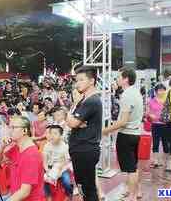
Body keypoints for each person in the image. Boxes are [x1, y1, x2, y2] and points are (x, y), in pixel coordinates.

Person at [103, 68, 144, 200]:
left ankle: (131, 196)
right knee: (133, 166)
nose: (117, 79)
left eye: (119, 77)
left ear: (126, 79)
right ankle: (136, 192)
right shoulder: (135, 92)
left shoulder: (127, 95)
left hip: (126, 134)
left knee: (130, 168)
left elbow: (123, 121)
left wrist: (105, 131)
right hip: (135, 133)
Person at [67, 66, 102, 201]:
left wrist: (72, 116)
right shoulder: (84, 100)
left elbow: (72, 123)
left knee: (88, 189)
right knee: (84, 187)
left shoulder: (91, 101)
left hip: (85, 150)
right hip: (80, 150)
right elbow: (74, 122)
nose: (78, 83)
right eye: (77, 80)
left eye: (81, 80)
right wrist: (74, 117)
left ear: (92, 81)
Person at [0, 115, 44, 201]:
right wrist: (2, 146)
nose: (10, 131)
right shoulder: (17, 148)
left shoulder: (31, 155)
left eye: (13, 127)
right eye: (9, 127)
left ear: (25, 130)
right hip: (14, 194)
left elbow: (24, 192)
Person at [43, 125, 73, 200]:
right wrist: (47, 170)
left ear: (61, 135)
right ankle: (48, 196)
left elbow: (67, 161)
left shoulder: (65, 147)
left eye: (55, 133)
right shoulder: (47, 145)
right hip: (50, 167)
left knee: (67, 182)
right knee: (44, 179)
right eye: (51, 133)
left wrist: (60, 171)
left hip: (62, 168)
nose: (52, 136)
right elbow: (44, 161)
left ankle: (68, 194)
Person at [145, 84, 169, 168]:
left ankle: (165, 161)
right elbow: (147, 113)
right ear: (156, 91)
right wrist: (150, 115)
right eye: (159, 90)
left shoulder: (167, 101)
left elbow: (170, 112)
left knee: (166, 143)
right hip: (155, 125)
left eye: (163, 90)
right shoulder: (151, 101)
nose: (161, 92)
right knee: (155, 143)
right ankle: (155, 161)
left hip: (166, 125)